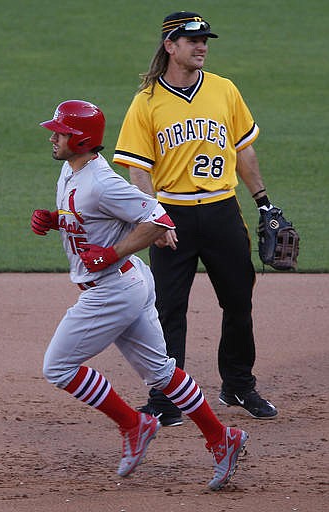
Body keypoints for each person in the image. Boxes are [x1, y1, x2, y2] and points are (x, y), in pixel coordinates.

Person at [30, 99, 249, 491]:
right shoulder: (70, 171)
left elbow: (159, 219)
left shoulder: (102, 181)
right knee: (161, 372)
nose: (54, 137)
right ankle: (222, 438)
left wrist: (111, 253)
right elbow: (87, 218)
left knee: (58, 367)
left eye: (60, 132)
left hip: (112, 290)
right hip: (128, 283)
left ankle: (134, 424)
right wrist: (56, 220)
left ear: (79, 140)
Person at [113, 11, 278, 426]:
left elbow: (243, 149)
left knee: (239, 300)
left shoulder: (224, 90)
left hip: (223, 209)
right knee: (169, 308)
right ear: (170, 46)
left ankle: (238, 384)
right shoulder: (146, 101)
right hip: (173, 214)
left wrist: (263, 202)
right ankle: (167, 398)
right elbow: (139, 169)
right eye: (193, 40)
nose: (202, 46)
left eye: (205, 39)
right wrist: (155, 219)